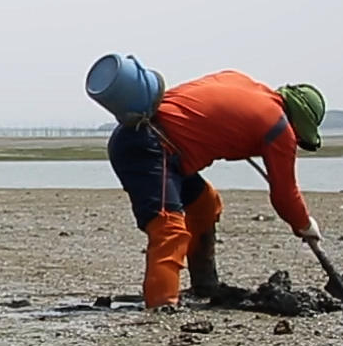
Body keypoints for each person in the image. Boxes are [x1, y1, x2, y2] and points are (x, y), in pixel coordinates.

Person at [106, 70, 326, 309]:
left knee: (205, 204)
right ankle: (162, 308)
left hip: (152, 143)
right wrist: (304, 224)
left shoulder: (241, 81)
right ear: (299, 124)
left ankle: (204, 286)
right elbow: (285, 195)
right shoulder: (279, 129)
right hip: (150, 148)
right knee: (169, 228)